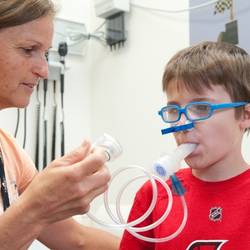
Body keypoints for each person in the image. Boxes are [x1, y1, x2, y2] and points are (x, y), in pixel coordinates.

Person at [0, 1, 120, 249]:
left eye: (45, 53)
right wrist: (37, 207)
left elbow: (76, 240)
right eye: (28, 49)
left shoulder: (8, 150)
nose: (43, 70)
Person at [119, 41, 250, 250]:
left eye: (200, 107)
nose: (181, 124)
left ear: (244, 115)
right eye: (173, 110)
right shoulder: (154, 194)